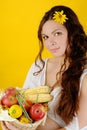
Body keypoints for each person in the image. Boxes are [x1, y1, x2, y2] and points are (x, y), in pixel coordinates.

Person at [1, 5, 87, 130]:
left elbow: (80, 127)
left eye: (57, 33)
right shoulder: (39, 67)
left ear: (72, 33)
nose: (50, 42)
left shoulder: (84, 76)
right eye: (45, 37)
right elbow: (22, 105)